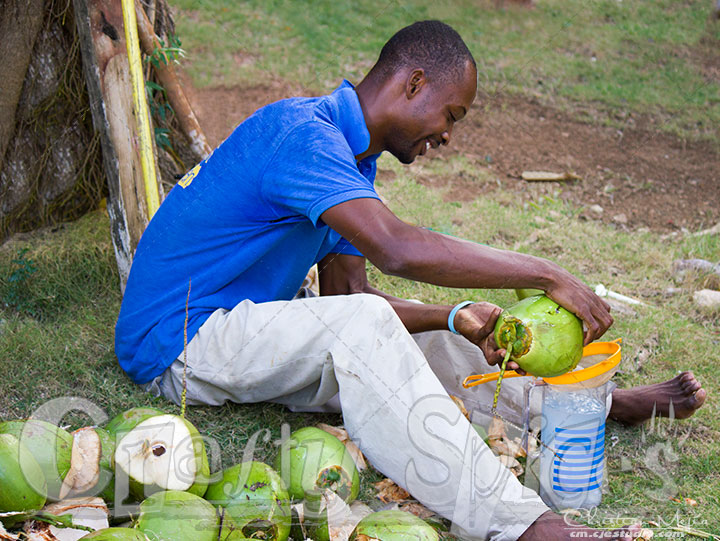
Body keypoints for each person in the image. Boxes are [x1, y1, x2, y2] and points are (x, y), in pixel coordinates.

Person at [115, 20, 706, 540]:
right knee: (371, 329)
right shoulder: (304, 135)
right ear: (414, 83)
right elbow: (396, 250)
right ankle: (522, 524)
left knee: (443, 337)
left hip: (243, 329)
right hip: (178, 346)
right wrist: (545, 273)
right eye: (452, 115)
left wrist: (453, 317)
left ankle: (584, 408)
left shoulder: (352, 165)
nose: (448, 136)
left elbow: (351, 298)